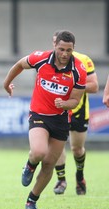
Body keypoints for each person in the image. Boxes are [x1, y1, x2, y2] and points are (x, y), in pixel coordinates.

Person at [3, 30, 87, 209]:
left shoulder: (79, 70)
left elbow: (76, 100)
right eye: (61, 49)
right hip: (39, 115)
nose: (64, 54)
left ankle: (31, 200)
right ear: (54, 46)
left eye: (69, 50)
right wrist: (6, 83)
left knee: (50, 163)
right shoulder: (40, 58)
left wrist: (65, 104)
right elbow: (19, 64)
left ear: (74, 49)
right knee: (39, 151)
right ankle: (30, 165)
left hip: (61, 120)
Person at [51, 31, 99, 196]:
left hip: (78, 110)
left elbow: (94, 86)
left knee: (77, 149)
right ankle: (61, 179)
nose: (62, 52)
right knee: (57, 147)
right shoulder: (47, 61)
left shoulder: (83, 60)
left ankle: (80, 176)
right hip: (57, 111)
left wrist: (73, 84)